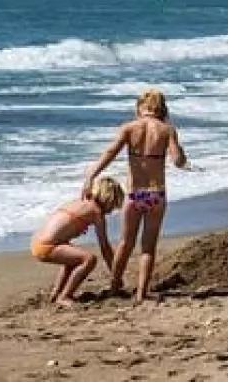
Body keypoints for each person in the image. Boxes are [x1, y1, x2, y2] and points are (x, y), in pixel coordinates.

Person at [84, 88, 190, 303]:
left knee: (125, 243)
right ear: (160, 108)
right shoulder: (167, 129)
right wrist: (182, 156)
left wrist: (91, 176)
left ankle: (114, 286)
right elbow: (178, 160)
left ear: (141, 107)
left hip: (134, 194)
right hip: (156, 194)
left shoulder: (129, 128)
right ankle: (142, 292)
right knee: (148, 246)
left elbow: (110, 153)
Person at [30, 177, 123, 306]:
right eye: (113, 205)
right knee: (89, 259)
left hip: (37, 241)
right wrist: (116, 275)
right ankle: (64, 296)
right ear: (108, 199)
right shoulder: (96, 213)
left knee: (72, 261)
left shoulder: (80, 202)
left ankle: (56, 293)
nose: (112, 210)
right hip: (46, 246)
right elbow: (105, 247)